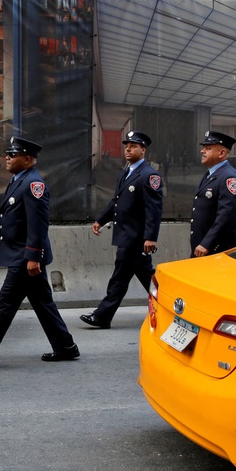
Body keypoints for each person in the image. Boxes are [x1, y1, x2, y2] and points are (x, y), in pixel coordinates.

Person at [0, 137, 79, 368]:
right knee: (43, 303)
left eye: (13, 155)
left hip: (24, 256)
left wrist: (34, 257)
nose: (7, 157)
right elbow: (9, 216)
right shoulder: (20, 180)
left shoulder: (34, 184)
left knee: (5, 303)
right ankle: (66, 346)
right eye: (8, 154)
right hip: (21, 254)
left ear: (27, 159)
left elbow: (38, 224)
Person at [80, 131, 163, 329]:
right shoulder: (127, 172)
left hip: (135, 238)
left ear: (143, 150)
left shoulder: (149, 176)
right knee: (147, 278)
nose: (128, 149)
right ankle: (172, 309)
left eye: (133, 146)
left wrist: (150, 237)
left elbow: (154, 210)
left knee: (119, 278)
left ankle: (102, 316)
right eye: (126, 145)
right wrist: (101, 220)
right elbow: (116, 202)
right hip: (126, 235)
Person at [190, 131, 236, 258]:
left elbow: (227, 216)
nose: (202, 151)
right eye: (203, 148)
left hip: (219, 248)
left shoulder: (229, 178)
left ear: (222, 153)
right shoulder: (211, 174)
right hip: (204, 247)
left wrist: (207, 244)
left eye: (208, 148)